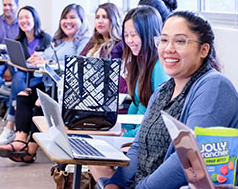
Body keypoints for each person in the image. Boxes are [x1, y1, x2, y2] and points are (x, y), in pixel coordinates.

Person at [91, 11, 238, 188]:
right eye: (164, 40)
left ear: (203, 50)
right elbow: (138, 147)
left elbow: (187, 159)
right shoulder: (163, 91)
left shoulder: (213, 87)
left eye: (180, 41)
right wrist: (114, 184)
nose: (168, 48)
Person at [0, 4, 91, 161]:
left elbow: (77, 65)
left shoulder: (83, 41)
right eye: (65, 18)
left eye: (72, 17)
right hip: (47, 84)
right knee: (23, 96)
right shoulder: (59, 39)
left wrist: (47, 61)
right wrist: (37, 59)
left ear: (82, 20)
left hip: (64, 89)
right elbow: (46, 55)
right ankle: (19, 141)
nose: (67, 21)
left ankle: (30, 150)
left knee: (40, 102)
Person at [0, 6, 51, 145]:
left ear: (34, 19)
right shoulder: (18, 41)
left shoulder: (46, 39)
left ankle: (10, 125)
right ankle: (13, 117)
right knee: (18, 76)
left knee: (19, 80)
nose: (23, 21)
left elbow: (50, 61)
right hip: (24, 79)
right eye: (20, 18)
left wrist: (38, 60)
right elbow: (16, 65)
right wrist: (24, 63)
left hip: (39, 79)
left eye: (27, 17)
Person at [121, 6, 169, 137]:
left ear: (149, 34)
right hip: (135, 136)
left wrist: (127, 136)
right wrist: (123, 130)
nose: (129, 40)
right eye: (126, 35)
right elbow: (136, 103)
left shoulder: (160, 67)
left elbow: (158, 118)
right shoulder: (139, 62)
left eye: (134, 35)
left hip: (145, 138)